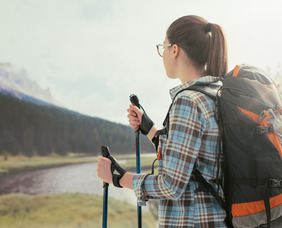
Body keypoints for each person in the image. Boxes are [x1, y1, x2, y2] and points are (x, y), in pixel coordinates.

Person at [97, 15, 228, 227]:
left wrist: (117, 178)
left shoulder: (188, 101)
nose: (163, 54)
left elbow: (171, 185)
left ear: (174, 50)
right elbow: (194, 159)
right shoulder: (217, 93)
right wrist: (148, 128)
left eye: (163, 47)